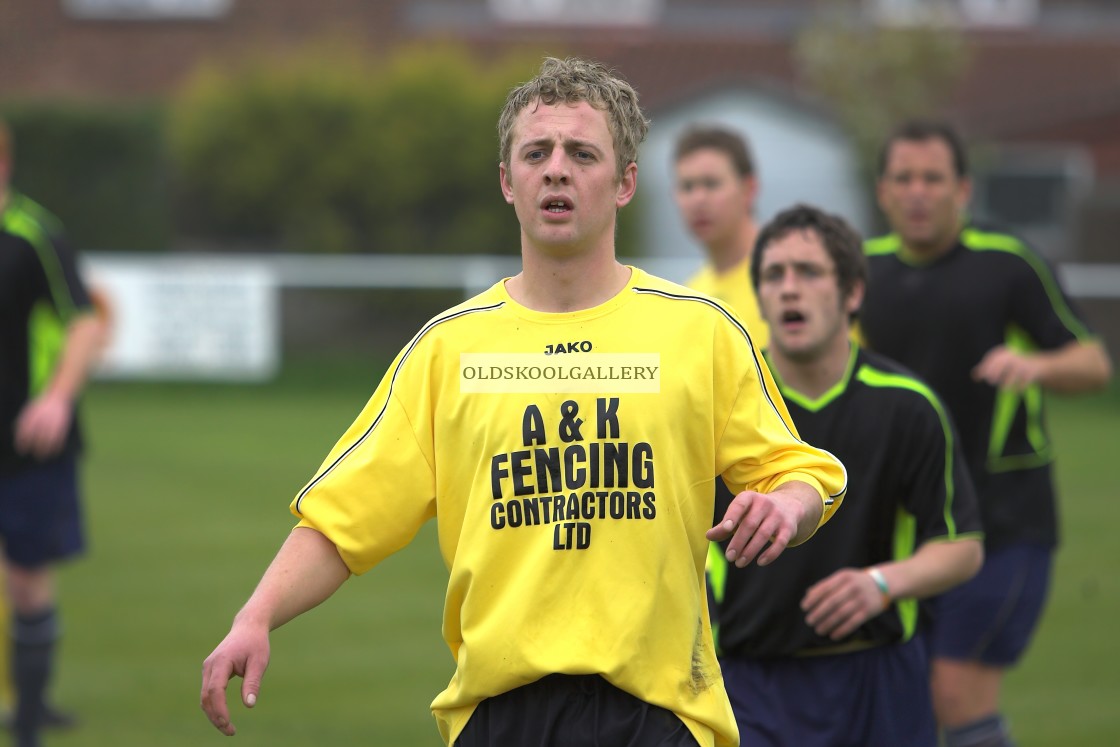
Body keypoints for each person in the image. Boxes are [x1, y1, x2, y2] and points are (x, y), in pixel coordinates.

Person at [199, 57, 848, 747]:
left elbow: (802, 473)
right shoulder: (448, 349)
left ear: (625, 181)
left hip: (657, 714)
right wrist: (256, 615)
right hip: (499, 715)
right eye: (536, 153)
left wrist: (786, 504)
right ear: (509, 181)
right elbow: (341, 520)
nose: (557, 169)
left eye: (583, 153)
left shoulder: (701, 332)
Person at [860, 120, 1113, 747]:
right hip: (904, 526)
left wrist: (1038, 365)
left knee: (955, 690)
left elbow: (1094, 364)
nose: (918, 192)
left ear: (963, 189)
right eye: (904, 178)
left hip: (1006, 526)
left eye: (933, 178)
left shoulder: (1007, 262)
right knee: (906, 697)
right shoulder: (861, 274)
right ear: (883, 191)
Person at [707, 203, 984, 747]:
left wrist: (881, 585)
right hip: (747, 680)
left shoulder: (908, 406)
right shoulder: (720, 407)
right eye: (773, 275)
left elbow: (962, 546)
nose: (789, 289)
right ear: (759, 296)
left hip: (878, 675)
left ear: (852, 293)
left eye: (809, 272)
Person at [0, 117, 106, 747]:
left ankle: (31, 723)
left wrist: (58, 398)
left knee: (28, 577)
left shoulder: (35, 236)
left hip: (28, 442)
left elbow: (83, 323)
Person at [673, 125, 769, 348]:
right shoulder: (690, 295)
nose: (698, 199)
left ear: (749, 189)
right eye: (687, 187)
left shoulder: (791, 277)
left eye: (711, 184)